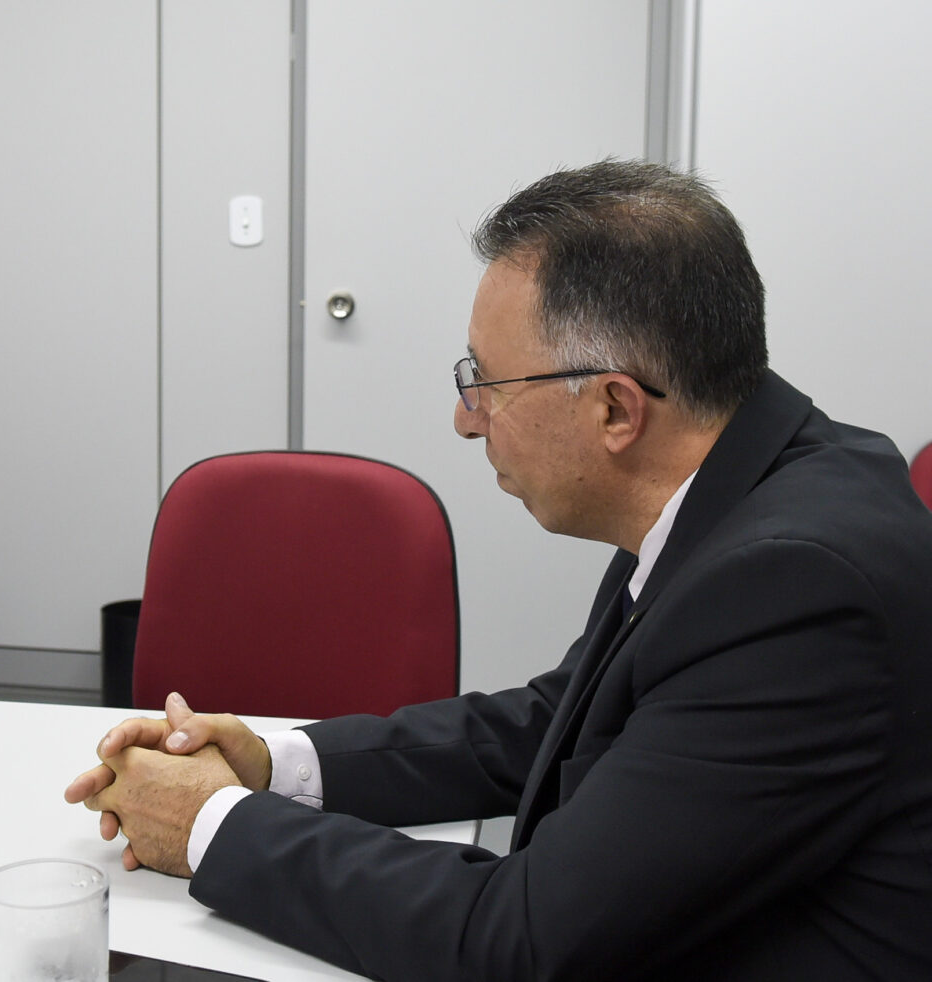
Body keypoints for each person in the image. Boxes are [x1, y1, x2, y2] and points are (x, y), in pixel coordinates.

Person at [65, 159, 932, 980]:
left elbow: (521, 943)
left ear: (615, 408)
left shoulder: (795, 589)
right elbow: (563, 721)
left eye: (485, 382)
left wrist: (212, 823)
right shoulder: (753, 480)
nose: (465, 419)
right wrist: (273, 766)